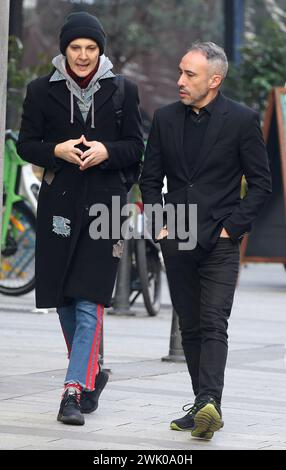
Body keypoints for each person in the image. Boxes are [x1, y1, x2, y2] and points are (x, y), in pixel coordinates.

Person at [139, 42, 272, 440]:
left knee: (214, 322)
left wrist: (233, 228)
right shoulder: (164, 119)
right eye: (180, 72)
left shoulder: (242, 120)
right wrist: (161, 223)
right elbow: (149, 179)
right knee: (191, 327)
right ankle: (204, 407)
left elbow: (263, 185)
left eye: (189, 74)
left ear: (214, 80)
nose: (180, 81)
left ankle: (209, 400)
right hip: (176, 235)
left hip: (220, 239)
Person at [17, 11, 144, 426]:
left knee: (89, 297)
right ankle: (90, 375)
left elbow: (135, 148)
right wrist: (57, 150)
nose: (84, 55)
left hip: (107, 206)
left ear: (100, 50)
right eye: (76, 48)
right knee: (64, 300)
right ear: (64, 49)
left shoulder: (123, 90)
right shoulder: (40, 91)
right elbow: (27, 145)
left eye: (91, 48)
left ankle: (72, 391)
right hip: (59, 204)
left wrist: (107, 151)